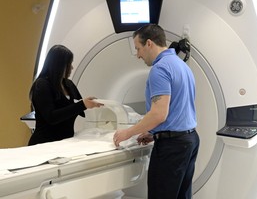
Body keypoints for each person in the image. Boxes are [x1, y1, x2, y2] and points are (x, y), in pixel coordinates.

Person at [113, 24, 200, 199]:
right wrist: (154, 132)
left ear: (150, 44)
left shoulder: (159, 69)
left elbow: (159, 114)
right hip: (189, 140)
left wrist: (127, 133)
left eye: (138, 48)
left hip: (172, 147)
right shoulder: (182, 66)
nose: (138, 55)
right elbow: (178, 109)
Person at [28, 45, 103, 146]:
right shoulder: (42, 85)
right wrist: (82, 105)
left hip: (64, 142)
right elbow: (51, 117)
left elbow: (79, 110)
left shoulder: (69, 84)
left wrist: (90, 104)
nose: (72, 67)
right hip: (44, 143)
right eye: (69, 64)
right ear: (58, 65)